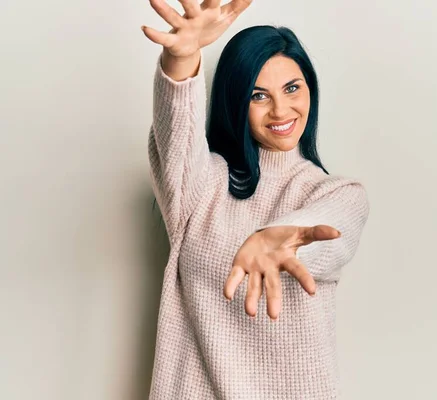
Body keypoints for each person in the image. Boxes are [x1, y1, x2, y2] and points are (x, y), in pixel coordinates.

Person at [141, 1, 370, 398]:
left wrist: (276, 236)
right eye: (258, 95)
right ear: (235, 101)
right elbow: (176, 134)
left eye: (292, 88)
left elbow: (330, 233)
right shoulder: (202, 186)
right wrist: (181, 59)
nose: (281, 109)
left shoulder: (337, 194)